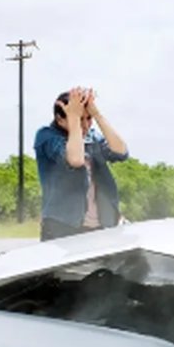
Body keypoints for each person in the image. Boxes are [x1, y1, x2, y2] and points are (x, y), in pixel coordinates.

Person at [33, 86, 130, 241]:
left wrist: (97, 114)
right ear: (59, 119)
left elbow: (121, 152)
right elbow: (75, 159)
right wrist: (73, 120)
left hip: (101, 227)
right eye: (80, 119)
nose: (85, 126)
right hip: (62, 228)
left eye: (88, 118)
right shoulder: (46, 137)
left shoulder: (92, 137)